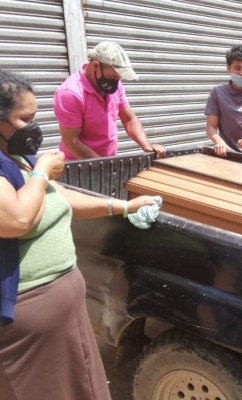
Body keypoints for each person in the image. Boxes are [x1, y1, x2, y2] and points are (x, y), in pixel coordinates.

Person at [0, 69, 158, 400]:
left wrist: (121, 207)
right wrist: (41, 173)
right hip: (25, 324)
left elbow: (58, 197)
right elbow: (16, 218)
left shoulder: (18, 156)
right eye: (24, 118)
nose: (33, 126)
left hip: (62, 310)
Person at [54, 41, 166, 160]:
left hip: (106, 161)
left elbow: (129, 119)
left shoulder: (115, 86)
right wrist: (103, 165)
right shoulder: (70, 94)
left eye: (118, 78)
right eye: (112, 77)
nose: (115, 82)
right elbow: (72, 142)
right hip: (79, 166)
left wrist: (147, 147)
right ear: (96, 65)